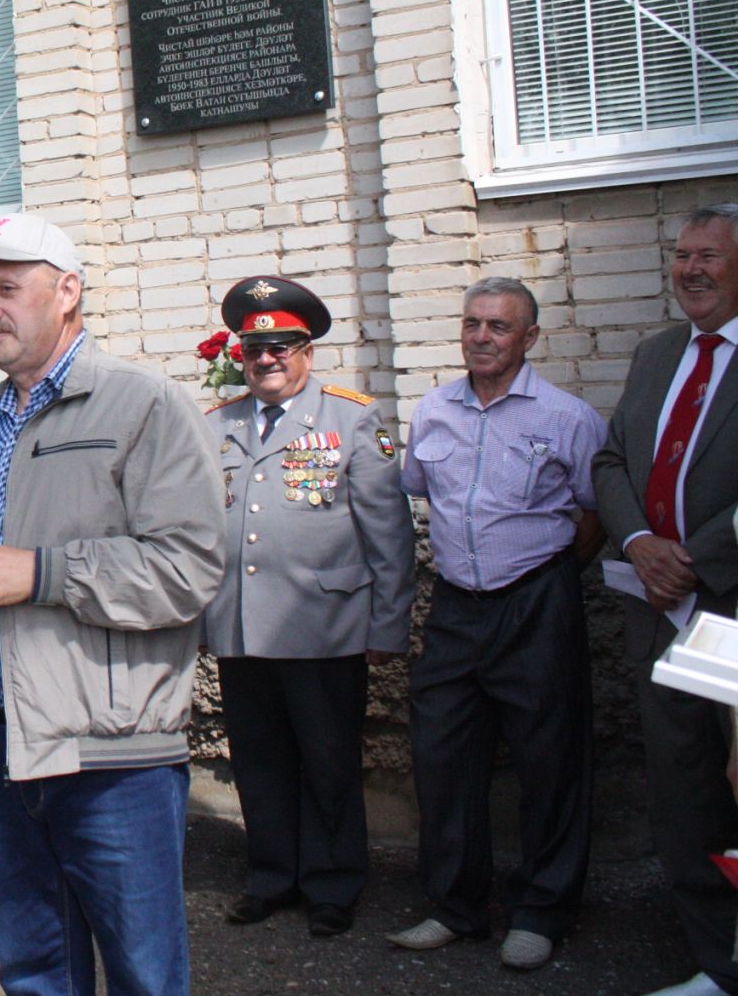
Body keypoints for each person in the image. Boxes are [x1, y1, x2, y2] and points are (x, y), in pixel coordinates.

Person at [0, 213, 224, 996]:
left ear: (67, 292)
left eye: (8, 288)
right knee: (34, 973)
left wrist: (42, 573)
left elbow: (189, 568)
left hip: (110, 754)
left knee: (144, 975)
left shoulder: (142, 405)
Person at [386, 278, 605, 969]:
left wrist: (549, 579)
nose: (482, 337)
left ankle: (542, 911)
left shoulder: (568, 417)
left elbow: (596, 512)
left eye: (500, 327)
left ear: (529, 339)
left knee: (550, 759)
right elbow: (419, 493)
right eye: (473, 323)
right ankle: (457, 906)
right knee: (443, 755)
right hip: (454, 605)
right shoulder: (435, 410)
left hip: (536, 602)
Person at [203, 276, 414, 939]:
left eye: (283, 346)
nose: (268, 359)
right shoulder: (219, 423)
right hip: (243, 626)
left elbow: (389, 533)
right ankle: (270, 877)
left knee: (328, 762)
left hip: (326, 627)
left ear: (308, 351)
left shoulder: (352, 418)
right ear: (240, 354)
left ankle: (332, 884)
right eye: (255, 348)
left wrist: (388, 623)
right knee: (258, 761)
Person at [595, 204, 738, 996]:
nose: (692, 269)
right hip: (658, 607)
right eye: (683, 255)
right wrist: (640, 546)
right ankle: (715, 964)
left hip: (728, 606)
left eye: (710, 256)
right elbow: (612, 460)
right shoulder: (657, 354)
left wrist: (699, 555)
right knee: (685, 790)